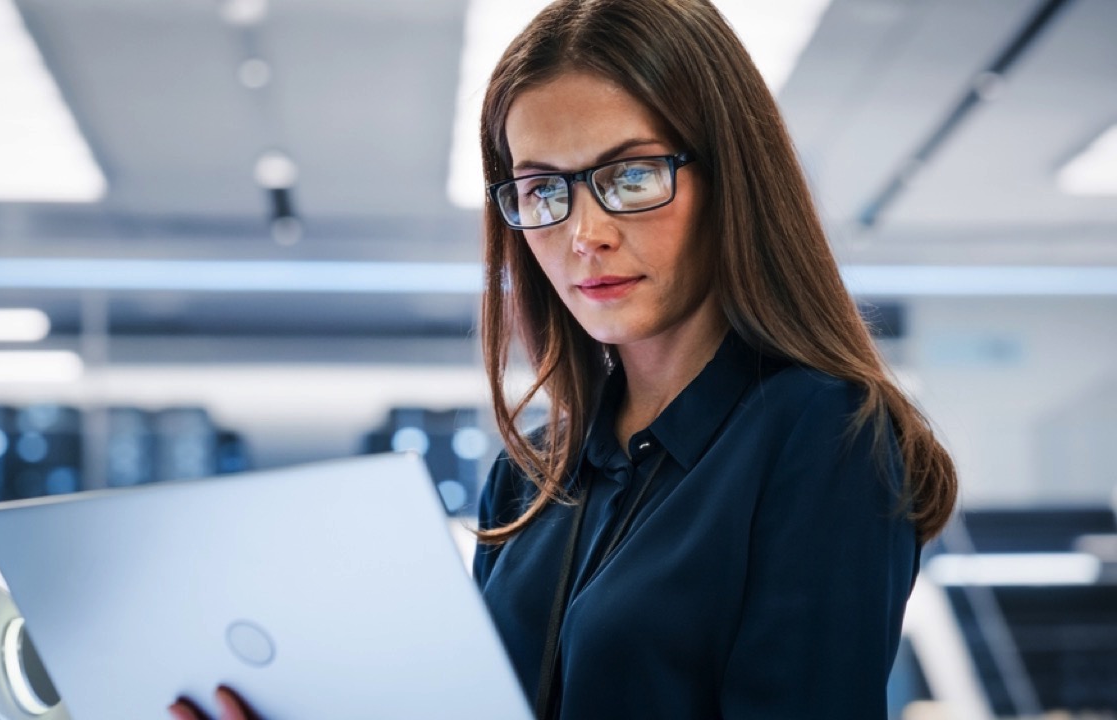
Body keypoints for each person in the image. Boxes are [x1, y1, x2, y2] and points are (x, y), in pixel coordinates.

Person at [172, 0, 957, 718]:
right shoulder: (532, 473)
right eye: (543, 190)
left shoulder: (822, 436)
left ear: (732, 179)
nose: (585, 234)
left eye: (632, 175)